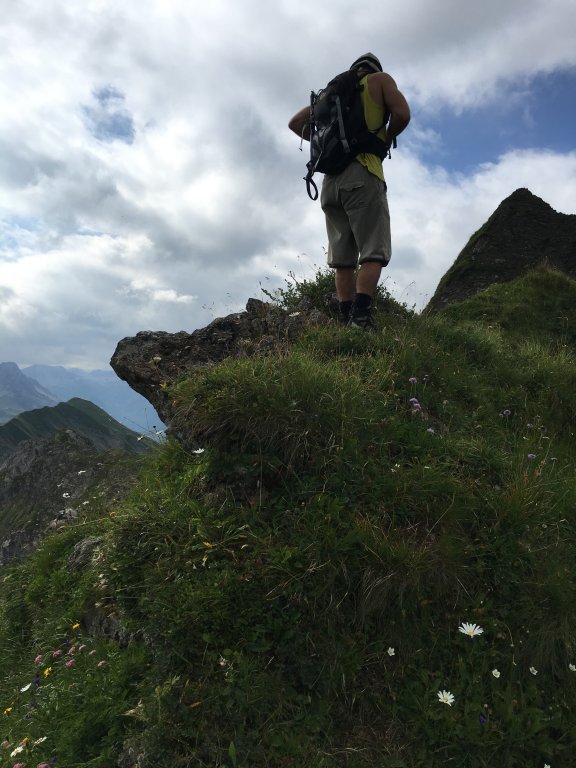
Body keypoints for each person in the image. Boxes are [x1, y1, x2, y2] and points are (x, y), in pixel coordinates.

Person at [288, 53, 411, 329]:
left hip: (330, 184)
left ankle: (346, 321)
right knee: (373, 250)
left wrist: (321, 143)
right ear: (374, 69)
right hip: (363, 173)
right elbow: (403, 114)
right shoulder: (380, 80)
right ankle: (361, 318)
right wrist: (386, 137)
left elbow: (294, 123)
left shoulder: (331, 95)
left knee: (342, 260)